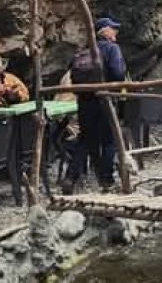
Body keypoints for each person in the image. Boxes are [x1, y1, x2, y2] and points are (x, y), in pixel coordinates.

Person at [62, 17, 127, 194]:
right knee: (109, 140)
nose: (116, 32)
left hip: (85, 102)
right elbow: (119, 73)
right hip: (105, 100)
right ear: (104, 31)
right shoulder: (111, 49)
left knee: (85, 141)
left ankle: (70, 178)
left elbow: (71, 74)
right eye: (113, 29)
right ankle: (107, 180)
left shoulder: (84, 51)